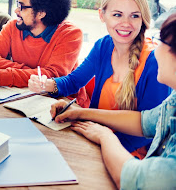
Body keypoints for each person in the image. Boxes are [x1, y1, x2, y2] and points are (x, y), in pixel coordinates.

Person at [29, 0, 171, 158]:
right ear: (102, 15)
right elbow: (74, 81)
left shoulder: (155, 62)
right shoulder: (103, 46)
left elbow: (148, 129)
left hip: (130, 155)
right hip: (96, 139)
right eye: (117, 15)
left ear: (143, 19)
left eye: (134, 16)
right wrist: (48, 85)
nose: (126, 24)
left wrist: (100, 145)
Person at [50, 13, 176, 189]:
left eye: (162, 41)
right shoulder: (174, 101)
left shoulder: (150, 60)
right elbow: (143, 121)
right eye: (117, 14)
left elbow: (135, 180)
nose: (157, 49)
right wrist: (80, 112)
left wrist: (105, 136)